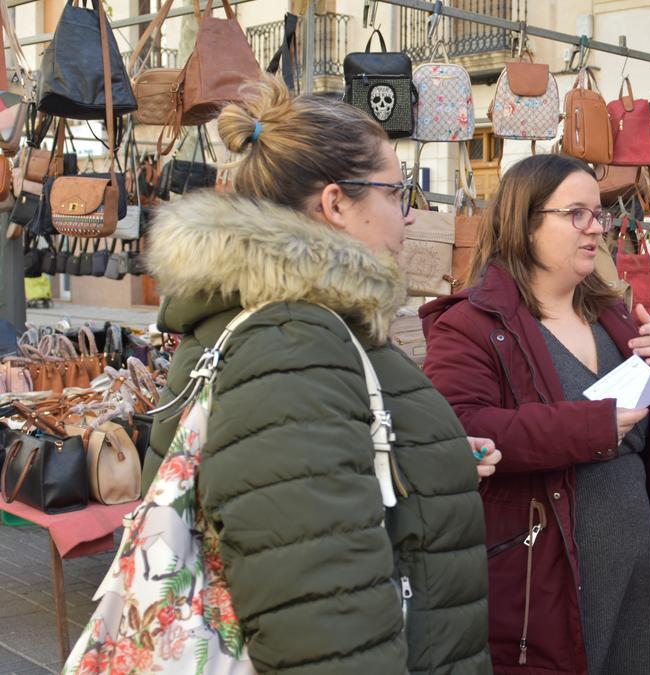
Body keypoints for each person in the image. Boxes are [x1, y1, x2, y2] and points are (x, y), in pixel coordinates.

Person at [141, 75, 496, 674]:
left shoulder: (286, 321)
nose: (409, 218)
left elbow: (304, 493)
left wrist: (419, 458)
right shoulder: (293, 339)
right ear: (335, 204)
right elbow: (323, 621)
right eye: (396, 193)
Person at [420, 153, 650, 674]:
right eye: (576, 214)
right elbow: (462, 428)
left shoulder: (611, 313)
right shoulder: (471, 324)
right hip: (547, 572)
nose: (595, 228)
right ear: (525, 224)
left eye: (599, 214)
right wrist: (591, 424)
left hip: (635, 567)